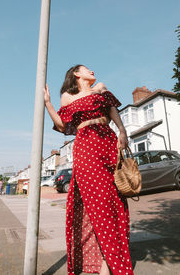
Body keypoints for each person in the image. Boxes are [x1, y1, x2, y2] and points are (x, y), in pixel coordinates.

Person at [44, 65, 134, 275]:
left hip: (109, 143)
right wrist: (48, 104)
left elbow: (113, 111)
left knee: (114, 202)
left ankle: (106, 264)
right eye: (87, 69)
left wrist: (122, 131)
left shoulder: (101, 88)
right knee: (99, 204)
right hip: (86, 147)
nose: (92, 71)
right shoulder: (67, 96)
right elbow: (62, 125)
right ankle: (113, 263)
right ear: (77, 74)